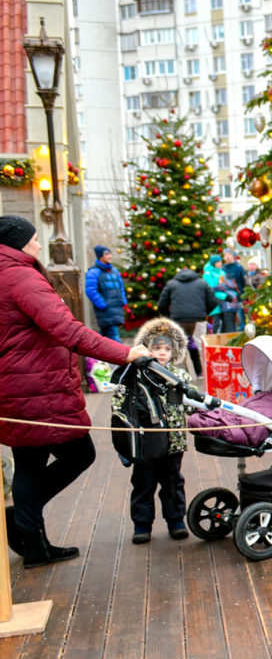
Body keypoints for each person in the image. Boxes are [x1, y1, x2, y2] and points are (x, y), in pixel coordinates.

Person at [0, 216, 150, 568]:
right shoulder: (21, 276)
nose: (39, 245)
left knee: (29, 462)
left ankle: (31, 538)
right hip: (36, 386)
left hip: (16, 385)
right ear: (18, 243)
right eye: (35, 239)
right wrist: (125, 352)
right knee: (78, 453)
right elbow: (68, 330)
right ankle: (21, 520)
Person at [112, 318, 194, 543]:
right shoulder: (134, 376)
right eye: (156, 348)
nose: (162, 353)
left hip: (173, 442)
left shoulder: (179, 377)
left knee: (172, 482)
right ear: (146, 348)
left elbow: (191, 401)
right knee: (143, 483)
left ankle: (176, 520)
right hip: (144, 441)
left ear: (175, 351)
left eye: (167, 349)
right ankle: (142, 524)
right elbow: (118, 402)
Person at [158, 264, 219, 375]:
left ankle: (181, 375)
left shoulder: (172, 284)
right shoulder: (202, 283)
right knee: (201, 347)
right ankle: (206, 374)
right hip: (198, 319)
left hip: (178, 320)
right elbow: (213, 302)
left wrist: (169, 317)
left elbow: (162, 304)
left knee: (179, 348)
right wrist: (204, 314)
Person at [84, 244, 127, 341]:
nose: (110, 256)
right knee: (114, 337)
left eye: (110, 254)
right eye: (107, 254)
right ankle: (121, 356)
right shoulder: (94, 272)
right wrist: (103, 304)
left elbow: (121, 287)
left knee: (105, 337)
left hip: (116, 309)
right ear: (100, 257)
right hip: (105, 311)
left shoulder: (114, 271)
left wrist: (123, 300)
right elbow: (91, 291)